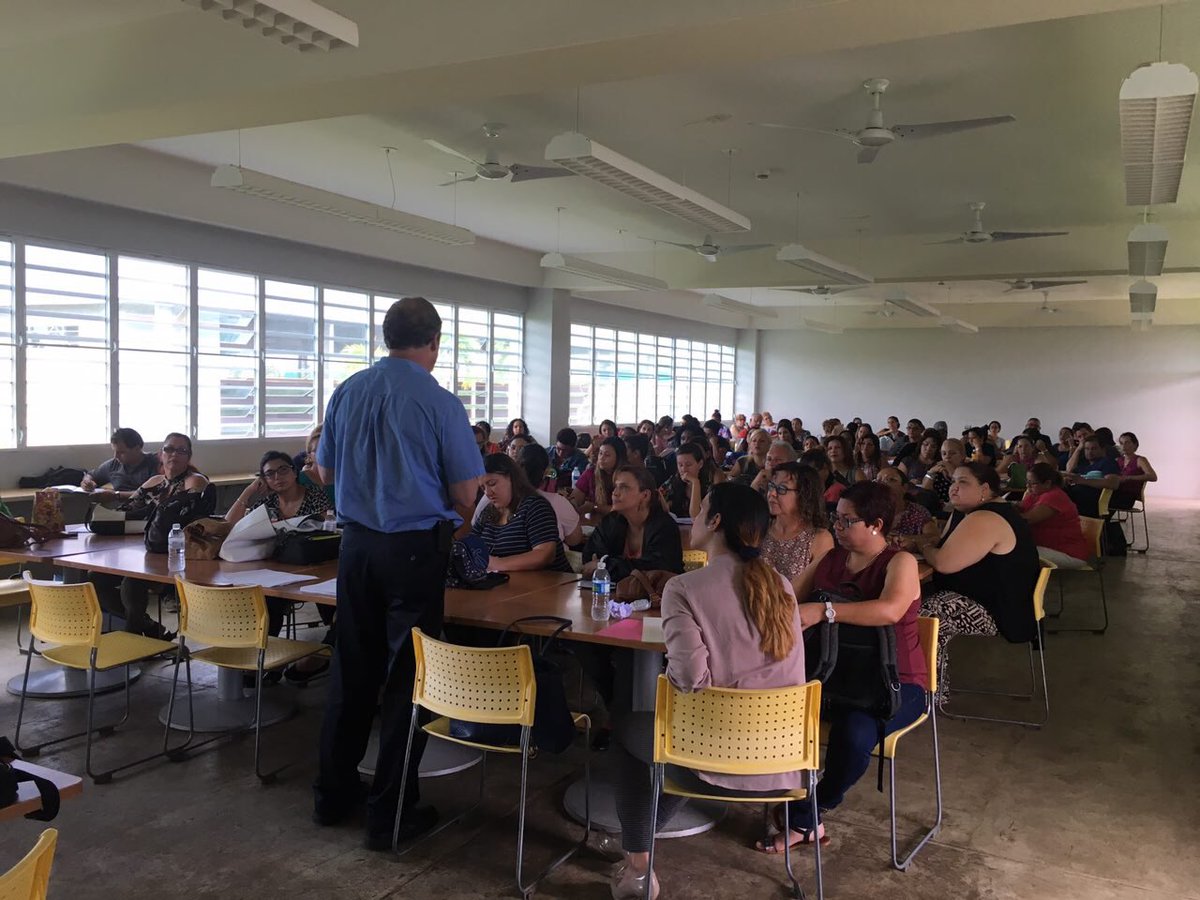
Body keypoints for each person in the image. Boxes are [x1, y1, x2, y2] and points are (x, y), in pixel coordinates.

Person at [312, 296, 483, 850]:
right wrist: (444, 527)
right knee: (409, 679)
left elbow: (323, 469)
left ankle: (332, 798)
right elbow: (464, 493)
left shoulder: (347, 390)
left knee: (351, 671)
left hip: (356, 546)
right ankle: (390, 816)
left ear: (386, 338)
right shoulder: (439, 403)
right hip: (413, 550)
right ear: (434, 342)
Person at [611, 483, 806, 898]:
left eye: (701, 513)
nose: (694, 518)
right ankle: (643, 845)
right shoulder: (781, 586)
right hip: (783, 758)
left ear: (716, 522)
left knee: (631, 734)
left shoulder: (685, 588)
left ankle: (639, 866)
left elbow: (690, 680)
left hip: (715, 754)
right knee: (679, 743)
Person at [761, 480, 924, 852]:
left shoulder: (899, 562)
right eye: (837, 519)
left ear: (876, 524)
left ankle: (809, 812)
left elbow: (890, 610)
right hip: (832, 676)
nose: (838, 527)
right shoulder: (833, 559)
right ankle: (776, 798)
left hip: (895, 684)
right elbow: (789, 595)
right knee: (769, 707)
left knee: (854, 734)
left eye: (847, 521)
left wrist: (825, 610)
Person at [914, 462, 1041, 695]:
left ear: (985, 489)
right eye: (953, 481)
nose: (954, 488)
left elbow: (943, 562)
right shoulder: (970, 513)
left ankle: (927, 694)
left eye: (963, 482)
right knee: (912, 599)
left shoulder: (985, 517)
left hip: (999, 612)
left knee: (927, 612)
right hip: (999, 602)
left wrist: (924, 546)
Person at [92, 433, 213, 639]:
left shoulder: (195, 482)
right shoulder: (155, 482)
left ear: (189, 456)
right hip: (146, 549)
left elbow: (180, 517)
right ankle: (146, 627)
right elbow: (126, 510)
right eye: (169, 449)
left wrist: (143, 517)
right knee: (95, 578)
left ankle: (131, 640)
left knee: (132, 582)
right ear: (160, 454)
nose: (174, 454)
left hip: (177, 554)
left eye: (181, 450)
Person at [581, 465, 684, 580]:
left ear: (645, 495)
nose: (615, 493)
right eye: (616, 486)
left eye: (624, 487)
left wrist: (605, 565)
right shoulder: (612, 521)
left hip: (660, 596)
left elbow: (655, 568)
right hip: (612, 594)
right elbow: (589, 557)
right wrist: (610, 566)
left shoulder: (665, 527)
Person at [474, 453, 571, 572]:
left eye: (492, 484)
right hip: (509, 585)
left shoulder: (535, 506)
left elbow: (545, 554)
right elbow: (471, 544)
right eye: (483, 488)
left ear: (511, 478)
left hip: (549, 586)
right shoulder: (489, 511)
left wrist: (497, 563)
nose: (487, 493)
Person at [761, 462, 834, 589]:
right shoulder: (759, 527)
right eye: (772, 486)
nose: (772, 493)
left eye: (782, 489)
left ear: (804, 495)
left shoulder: (819, 538)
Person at [228, 450, 332, 524]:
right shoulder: (268, 504)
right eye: (270, 473)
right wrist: (249, 490)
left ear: (295, 472)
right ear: (265, 479)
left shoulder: (315, 496)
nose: (277, 477)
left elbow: (326, 530)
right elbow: (228, 525)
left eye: (283, 470)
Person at [1018, 463, 1089, 569]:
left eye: (1032, 484)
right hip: (1048, 547)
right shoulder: (1035, 494)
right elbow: (1020, 507)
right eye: (1027, 482)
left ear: (1047, 483)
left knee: (1016, 552)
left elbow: (1027, 519)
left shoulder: (1054, 496)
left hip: (1068, 554)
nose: (1027, 486)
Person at [79, 427, 160, 499]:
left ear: (137, 449)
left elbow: (151, 492)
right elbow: (91, 475)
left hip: (144, 509)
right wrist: (87, 482)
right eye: (114, 451)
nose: (116, 456)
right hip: (117, 510)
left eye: (121, 452)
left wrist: (116, 495)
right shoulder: (113, 465)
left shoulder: (155, 463)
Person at [660, 442, 722, 519]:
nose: (684, 469)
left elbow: (696, 516)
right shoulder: (672, 483)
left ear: (700, 464)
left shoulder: (709, 486)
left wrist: (695, 483)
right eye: (680, 465)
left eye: (688, 465)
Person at [876, 466, 935, 545]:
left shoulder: (917, 512)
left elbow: (933, 536)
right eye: (878, 480)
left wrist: (907, 539)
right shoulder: (867, 510)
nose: (883, 483)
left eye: (891, 480)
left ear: (904, 488)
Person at [1063, 435, 1120, 517]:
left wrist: (1081, 480)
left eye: (1094, 448)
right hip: (1076, 497)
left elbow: (1113, 483)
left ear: (1102, 449)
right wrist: (1078, 449)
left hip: (1092, 501)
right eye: (1087, 449)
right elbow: (1069, 469)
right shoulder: (1083, 465)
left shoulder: (1107, 462)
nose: (1089, 452)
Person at [570, 436, 627, 515]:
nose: (601, 458)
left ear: (619, 458)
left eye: (607, 455)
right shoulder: (591, 473)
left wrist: (594, 507)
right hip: (594, 523)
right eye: (600, 453)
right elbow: (575, 498)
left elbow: (623, 510)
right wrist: (573, 503)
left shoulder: (627, 477)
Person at [1112, 432, 1157, 510]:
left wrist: (1129, 478)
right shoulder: (1118, 460)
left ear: (1135, 445)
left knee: (1102, 502)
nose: (1123, 446)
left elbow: (1153, 477)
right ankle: (1103, 521)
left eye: (1127, 443)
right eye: (1121, 443)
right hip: (1115, 492)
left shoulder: (1140, 460)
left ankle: (1103, 521)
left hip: (1128, 496)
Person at [921, 438, 967, 507]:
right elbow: (925, 490)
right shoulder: (938, 470)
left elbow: (964, 493)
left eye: (952, 453)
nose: (947, 457)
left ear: (962, 455)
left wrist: (952, 473)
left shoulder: (969, 471)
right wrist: (931, 472)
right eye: (944, 454)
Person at [544, 427, 589, 493]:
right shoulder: (546, 453)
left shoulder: (580, 459)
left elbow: (582, 482)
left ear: (573, 448)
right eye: (558, 448)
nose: (560, 453)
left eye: (565, 450)